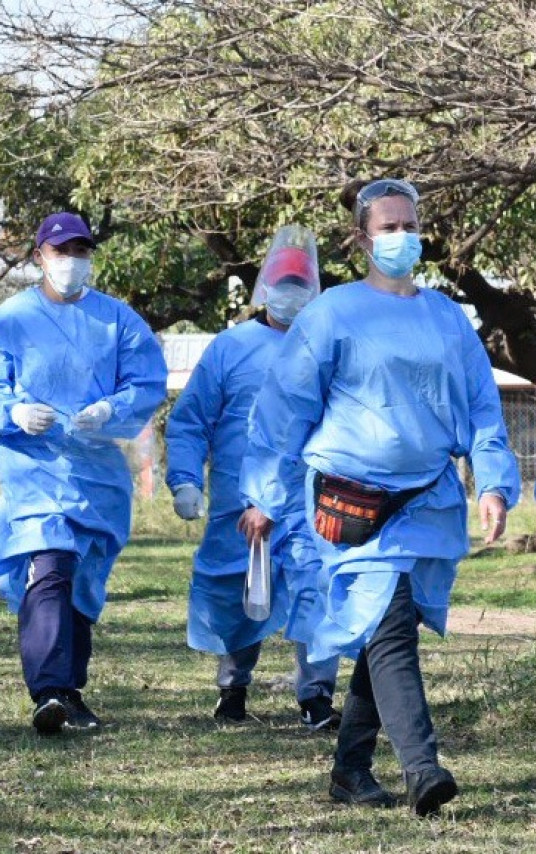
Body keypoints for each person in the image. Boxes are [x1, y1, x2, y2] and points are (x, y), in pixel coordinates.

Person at [238, 178, 521, 816]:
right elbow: (282, 412)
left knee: (384, 628)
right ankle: (423, 768)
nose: (401, 236)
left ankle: (349, 770)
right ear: (362, 238)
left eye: (408, 224)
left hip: (425, 500)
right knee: (390, 623)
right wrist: (260, 495)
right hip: (348, 502)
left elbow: (481, 407)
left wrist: (494, 481)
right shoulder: (332, 314)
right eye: (387, 226)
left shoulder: (447, 317)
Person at [0, 212, 168, 735]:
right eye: (61, 250)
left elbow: (146, 381)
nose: (71, 260)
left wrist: (111, 410)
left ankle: (71, 689)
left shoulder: (117, 321)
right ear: (39, 255)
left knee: (83, 583)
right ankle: (47, 691)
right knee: (50, 569)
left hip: (97, 479)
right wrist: (13, 412)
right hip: (35, 473)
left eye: (81, 250)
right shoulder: (10, 320)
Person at [165, 225, 342, 731]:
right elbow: (191, 419)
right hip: (238, 501)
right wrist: (185, 479)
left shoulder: (327, 348)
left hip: (311, 497)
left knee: (315, 590)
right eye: (282, 284)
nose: (290, 295)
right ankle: (232, 687)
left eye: (299, 285)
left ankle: (316, 697)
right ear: (266, 288)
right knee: (240, 596)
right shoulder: (230, 349)